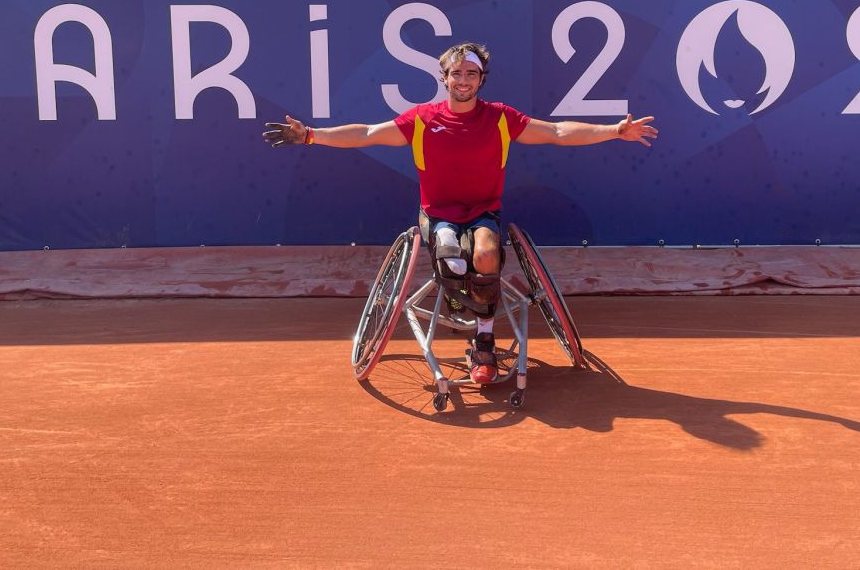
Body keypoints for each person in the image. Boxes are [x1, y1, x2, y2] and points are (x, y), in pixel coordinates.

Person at [263, 42, 658, 384]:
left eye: (472, 73)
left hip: (483, 213)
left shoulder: (501, 118)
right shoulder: (421, 119)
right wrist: (311, 135)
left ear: (482, 78)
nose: (463, 80)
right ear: (445, 77)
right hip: (439, 216)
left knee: (486, 255)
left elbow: (556, 132)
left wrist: (613, 131)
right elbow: (366, 133)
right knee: (451, 257)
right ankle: (457, 302)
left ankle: (483, 342)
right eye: (456, 73)